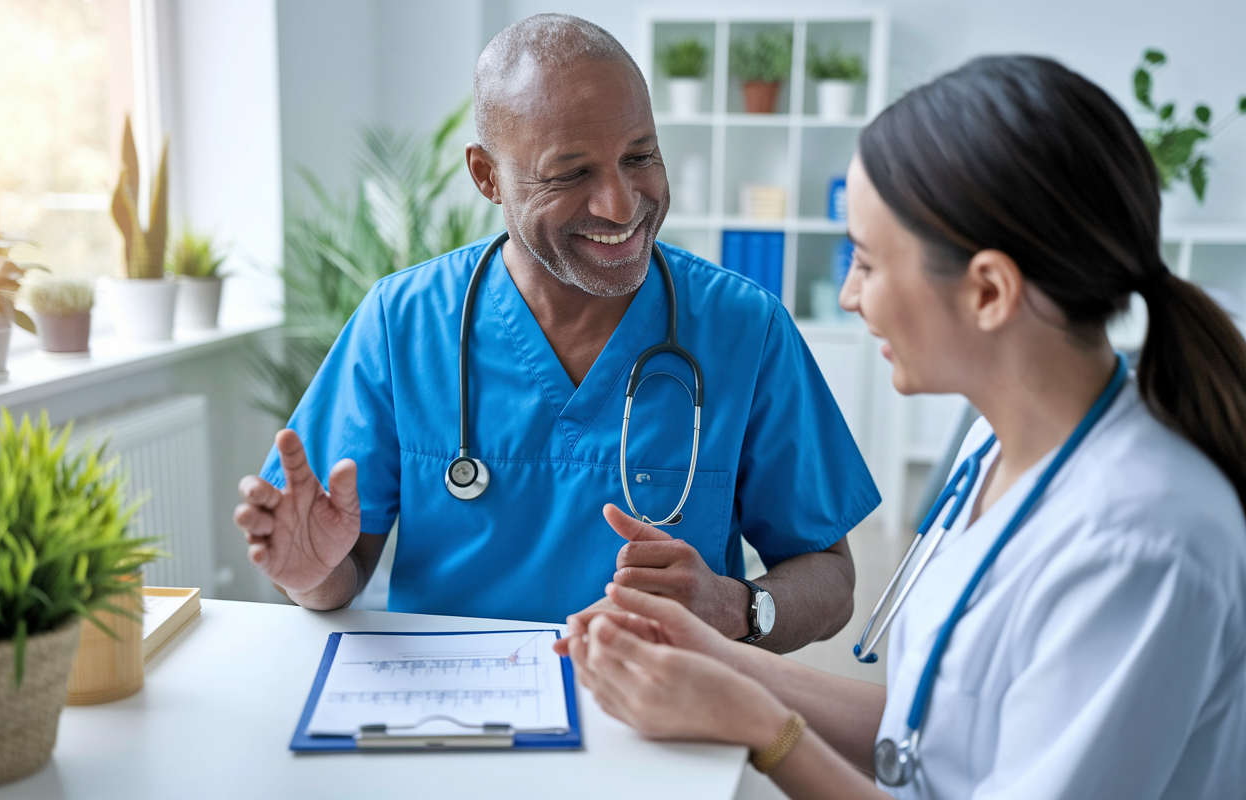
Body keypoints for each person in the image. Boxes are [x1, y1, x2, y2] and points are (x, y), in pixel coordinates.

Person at [565, 55, 1246, 799]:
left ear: (988, 290)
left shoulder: (1140, 545)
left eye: (865, 260)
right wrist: (716, 655)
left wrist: (767, 731)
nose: (850, 295)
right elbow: (931, 735)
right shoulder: (1001, 449)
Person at [232, 14, 880, 653]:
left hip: (664, 718)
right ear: (487, 175)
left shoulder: (745, 329)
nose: (621, 205)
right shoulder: (402, 322)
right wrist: (313, 576)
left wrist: (737, 607)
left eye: (640, 156)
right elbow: (340, 575)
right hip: (455, 718)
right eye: (571, 174)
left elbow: (830, 577)